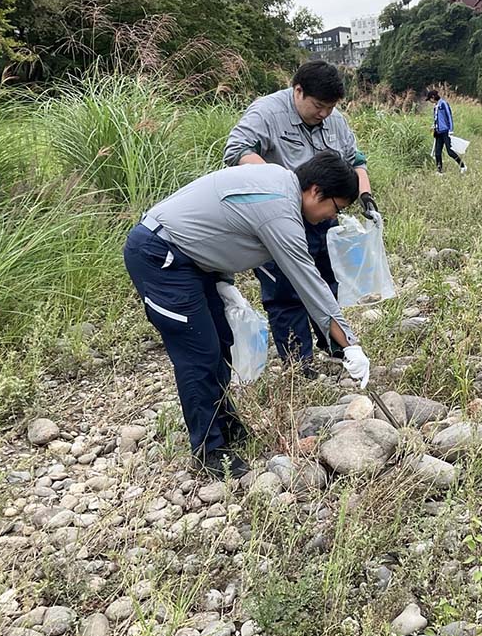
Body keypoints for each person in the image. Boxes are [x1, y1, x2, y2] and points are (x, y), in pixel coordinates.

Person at [124, 152, 371, 479]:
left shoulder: (282, 185)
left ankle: (226, 425)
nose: (330, 217)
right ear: (315, 191)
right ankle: (208, 451)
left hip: (195, 262)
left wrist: (222, 279)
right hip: (161, 257)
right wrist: (349, 344)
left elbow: (221, 224)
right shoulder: (280, 212)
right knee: (199, 353)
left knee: (221, 341)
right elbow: (310, 283)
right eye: (334, 208)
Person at [224, 61, 380, 378]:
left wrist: (365, 196)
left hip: (322, 215)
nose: (324, 114)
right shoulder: (267, 112)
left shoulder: (334, 120)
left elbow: (356, 160)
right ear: (298, 90)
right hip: (278, 219)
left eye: (331, 107)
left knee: (327, 280)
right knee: (286, 293)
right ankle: (300, 364)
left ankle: (338, 347)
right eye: (318, 106)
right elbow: (236, 150)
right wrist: (281, 184)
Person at [426, 89, 467, 175]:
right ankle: (439, 170)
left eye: (430, 99)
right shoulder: (435, 107)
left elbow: (449, 116)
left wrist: (451, 130)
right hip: (438, 132)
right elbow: (436, 119)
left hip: (446, 132)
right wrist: (434, 126)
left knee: (450, 151)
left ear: (433, 97)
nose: (430, 101)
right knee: (437, 152)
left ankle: (462, 166)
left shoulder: (443, 104)